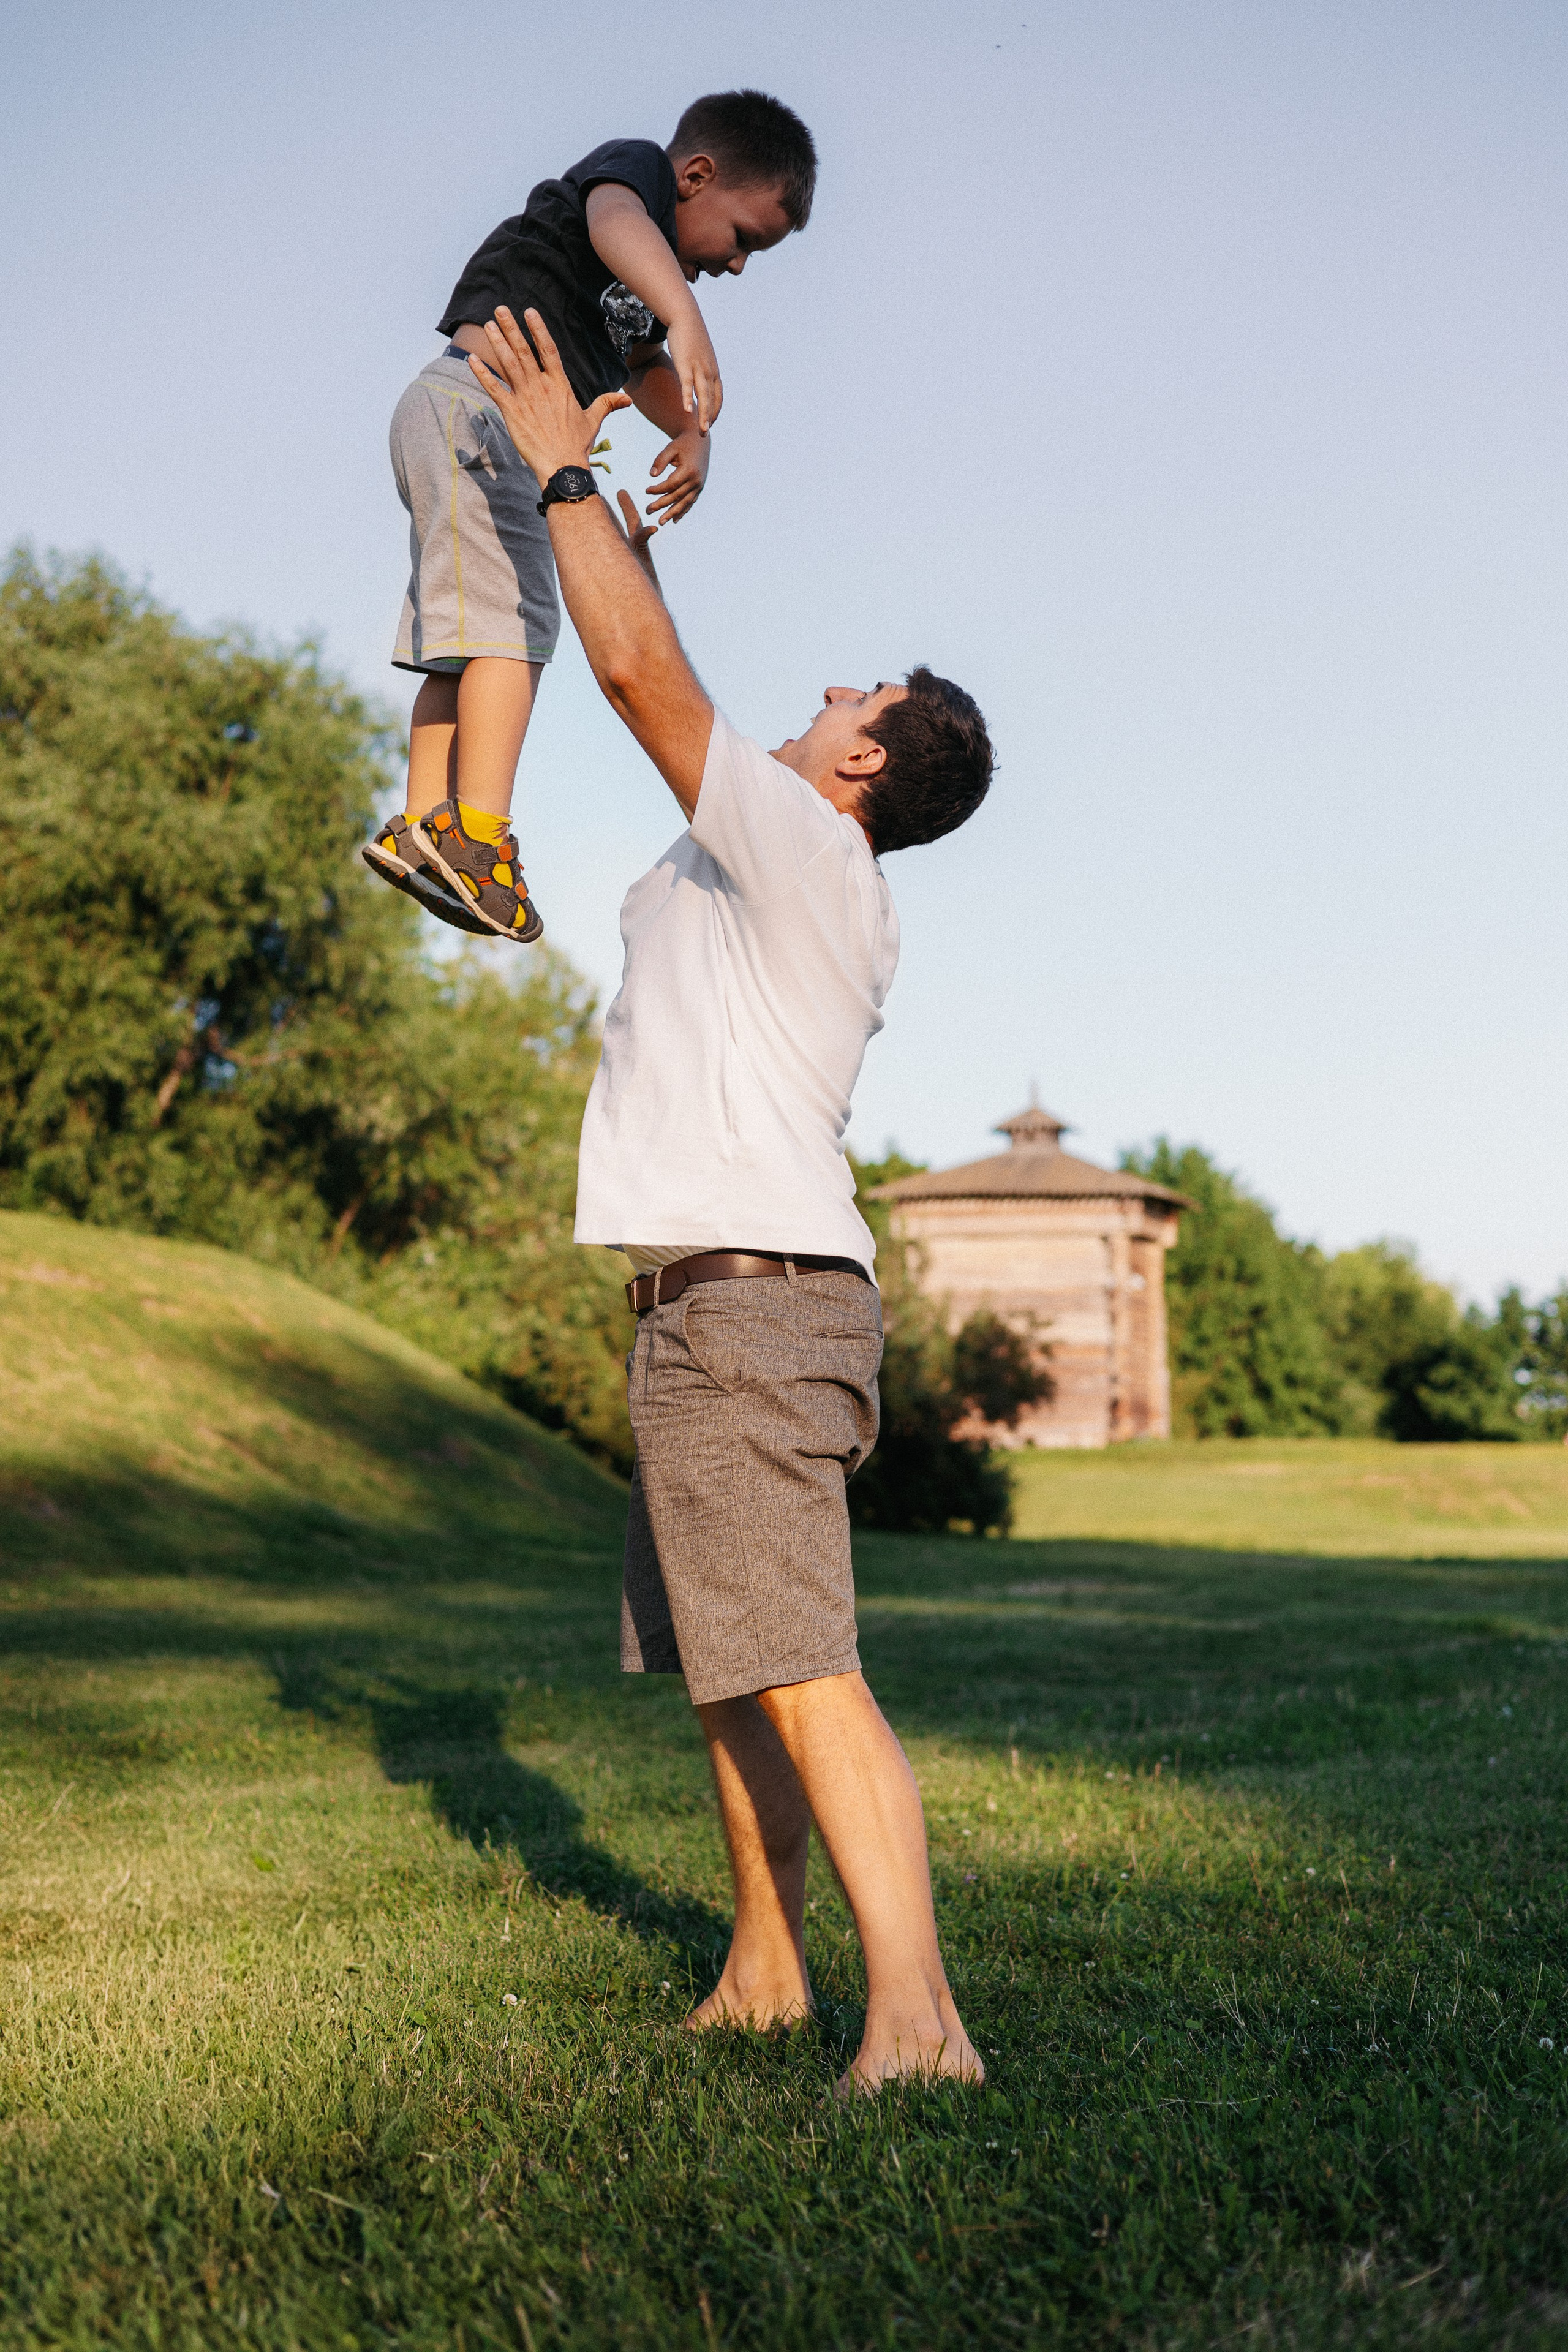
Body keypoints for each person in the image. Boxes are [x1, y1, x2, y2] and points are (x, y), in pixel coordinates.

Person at [469, 303, 996, 2092]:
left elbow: (643, 677)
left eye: (862, 694)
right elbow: (631, 685)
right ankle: (768, 1966)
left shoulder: (809, 849)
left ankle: (918, 2022)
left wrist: (564, 458)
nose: (834, 689)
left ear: (869, 762)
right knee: (725, 1656)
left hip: (758, 1302)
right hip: (699, 1303)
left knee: (801, 1659)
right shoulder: (746, 853)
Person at [364, 89, 817, 945]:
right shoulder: (633, 177)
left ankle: (424, 826)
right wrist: (686, 314)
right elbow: (615, 222)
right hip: (486, 407)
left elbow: (639, 362)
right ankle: (478, 839)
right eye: (746, 238)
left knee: (467, 642)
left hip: (471, 414)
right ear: (696, 175)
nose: (738, 267)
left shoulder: (645, 289)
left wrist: (690, 428)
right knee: (516, 630)